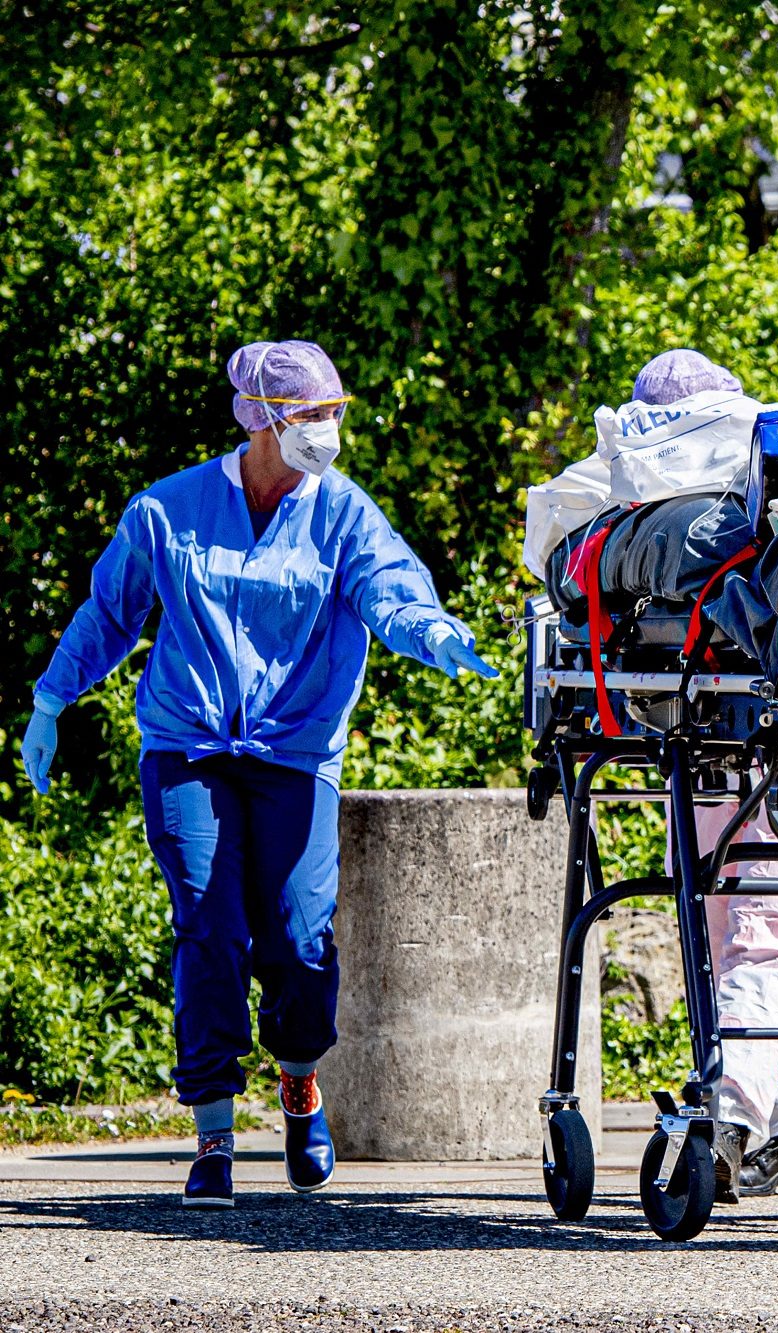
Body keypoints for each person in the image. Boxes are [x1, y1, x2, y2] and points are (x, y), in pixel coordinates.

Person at [17, 340, 498, 1209]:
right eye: (312, 414)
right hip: (188, 748)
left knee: (299, 938)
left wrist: (433, 633)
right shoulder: (168, 510)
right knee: (208, 923)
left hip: (295, 755)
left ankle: (300, 1078)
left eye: (334, 411)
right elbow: (110, 613)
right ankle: (211, 1135)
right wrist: (52, 700)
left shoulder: (343, 514)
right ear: (262, 419)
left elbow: (390, 589)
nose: (328, 429)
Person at [629, 348, 778, 1201]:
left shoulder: (648, 509)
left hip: (712, 727)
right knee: (768, 923)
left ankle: (753, 1109)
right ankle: (765, 1110)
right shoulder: (775, 494)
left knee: (729, 918)